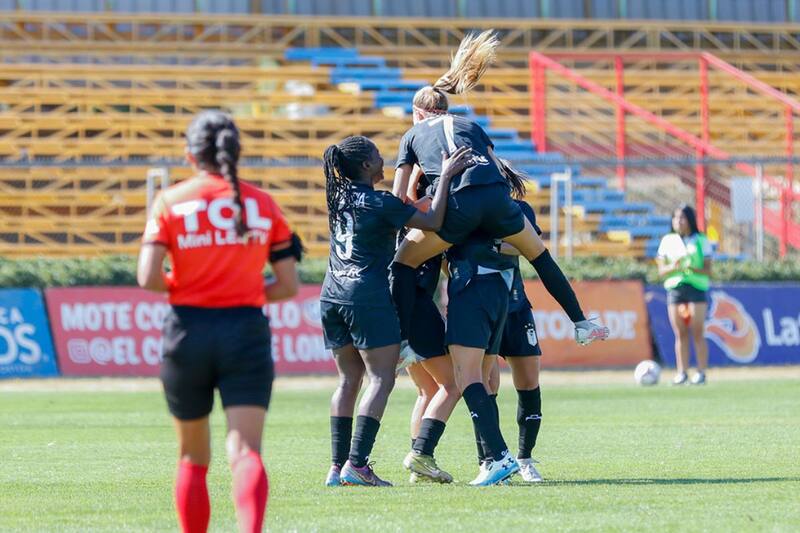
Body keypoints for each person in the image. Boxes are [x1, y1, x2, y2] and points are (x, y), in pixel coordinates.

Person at [389, 30, 608, 373]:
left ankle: (402, 343)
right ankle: (581, 322)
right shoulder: (470, 125)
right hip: (495, 198)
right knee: (541, 257)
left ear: (418, 113)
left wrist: (420, 208)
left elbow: (397, 197)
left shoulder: (412, 135)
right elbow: (495, 166)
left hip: (459, 204)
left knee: (402, 263)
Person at [137, 110, 302, 533]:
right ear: (235, 152)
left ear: (190, 155)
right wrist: (240, 291)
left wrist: (190, 286)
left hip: (187, 332)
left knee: (193, 456)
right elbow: (286, 285)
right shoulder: (263, 204)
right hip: (245, 330)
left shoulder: (170, 201)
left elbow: (148, 277)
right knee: (246, 450)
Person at [320, 136, 473, 487]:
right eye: (376, 156)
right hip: (366, 297)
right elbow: (433, 221)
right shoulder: (380, 202)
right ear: (365, 166)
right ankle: (357, 465)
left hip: (331, 295)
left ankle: (336, 467)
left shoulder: (338, 198)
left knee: (348, 380)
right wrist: (446, 175)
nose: (382, 159)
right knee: (381, 378)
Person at [399, 168, 461, 484]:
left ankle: (419, 467)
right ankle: (422, 454)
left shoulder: (405, 213)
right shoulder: (429, 219)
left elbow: (410, 196)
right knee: (454, 384)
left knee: (428, 390)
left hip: (398, 309)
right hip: (418, 309)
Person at [656, 204, 713, 385]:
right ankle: (682, 372)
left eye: (682, 218)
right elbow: (661, 270)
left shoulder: (701, 240)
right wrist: (673, 267)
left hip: (696, 288)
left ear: (690, 220)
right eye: (675, 218)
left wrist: (692, 268)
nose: (678, 222)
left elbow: (708, 270)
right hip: (675, 289)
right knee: (680, 332)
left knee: (697, 331)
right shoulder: (667, 241)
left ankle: (701, 372)